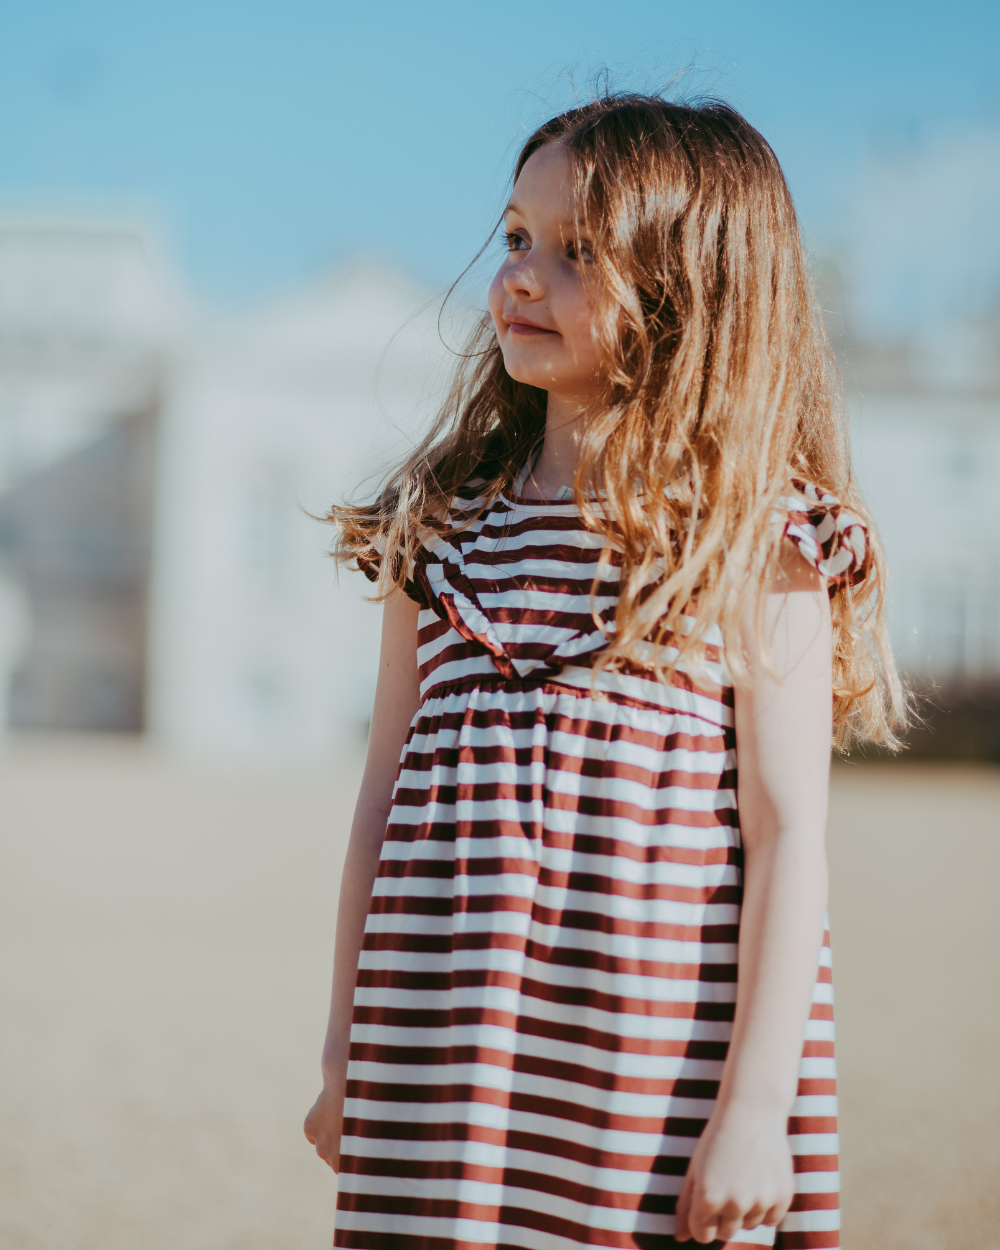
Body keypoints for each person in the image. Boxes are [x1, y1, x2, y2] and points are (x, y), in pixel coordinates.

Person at [304, 93, 904, 1250]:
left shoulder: (757, 534)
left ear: (695, 293)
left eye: (578, 251)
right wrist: (344, 1047)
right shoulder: (439, 537)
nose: (522, 275)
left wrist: (756, 1110)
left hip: (654, 1082)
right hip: (438, 1061)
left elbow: (786, 833)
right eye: (518, 237)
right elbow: (380, 799)